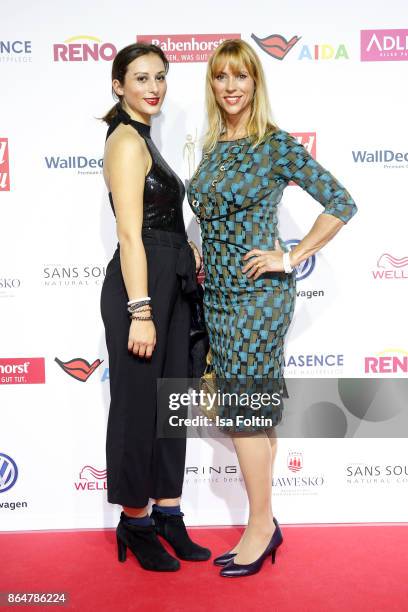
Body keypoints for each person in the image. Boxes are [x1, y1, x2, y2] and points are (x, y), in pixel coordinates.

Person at [187, 39, 357, 578]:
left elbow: (342, 203)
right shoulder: (213, 145)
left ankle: (259, 527)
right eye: (221, 78)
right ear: (213, 85)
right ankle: (265, 521)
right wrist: (198, 248)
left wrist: (292, 255)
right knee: (253, 412)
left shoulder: (274, 145)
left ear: (256, 82)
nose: (231, 87)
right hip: (216, 296)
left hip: (257, 300)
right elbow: (214, 220)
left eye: (240, 76)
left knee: (243, 416)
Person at [100, 43, 210, 572]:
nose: (153, 87)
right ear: (118, 85)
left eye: (160, 77)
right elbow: (129, 232)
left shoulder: (145, 138)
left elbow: (157, 220)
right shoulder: (124, 139)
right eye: (140, 78)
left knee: (172, 404)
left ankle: (168, 513)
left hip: (170, 282)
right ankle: (135, 521)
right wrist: (140, 310)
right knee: (138, 407)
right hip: (140, 288)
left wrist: (183, 248)